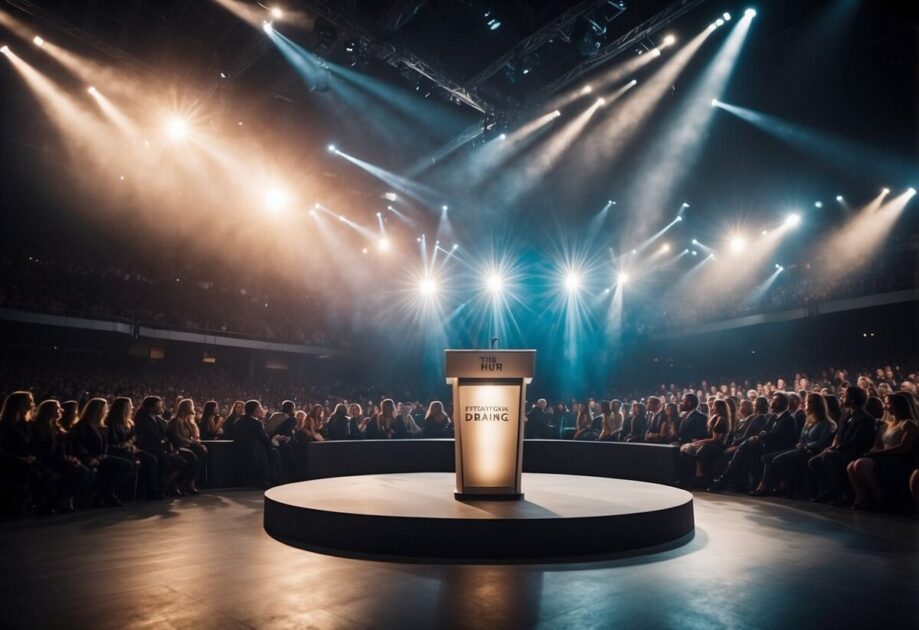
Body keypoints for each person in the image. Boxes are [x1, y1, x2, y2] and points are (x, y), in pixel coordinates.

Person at [753, 393, 836, 497]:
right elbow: (802, 438)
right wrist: (801, 444)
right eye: (806, 402)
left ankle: (773, 487)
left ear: (818, 405)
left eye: (809, 402)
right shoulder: (809, 421)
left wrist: (806, 446)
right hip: (801, 448)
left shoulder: (827, 423)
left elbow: (823, 442)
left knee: (778, 459)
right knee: (767, 457)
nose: (806, 404)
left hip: (813, 451)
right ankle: (779, 487)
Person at [711, 392, 797, 493]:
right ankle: (752, 482)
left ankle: (724, 480)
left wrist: (760, 437)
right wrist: (760, 436)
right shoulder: (773, 417)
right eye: (772, 401)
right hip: (767, 445)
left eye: (775, 401)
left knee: (745, 448)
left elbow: (777, 435)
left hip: (778, 448)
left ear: (785, 404)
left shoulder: (788, 419)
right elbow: (764, 431)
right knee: (747, 450)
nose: (772, 404)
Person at [846, 392, 918, 510]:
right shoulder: (886, 424)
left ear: (898, 405)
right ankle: (861, 497)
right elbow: (877, 444)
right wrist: (874, 452)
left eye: (888, 404)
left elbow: (904, 447)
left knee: (861, 464)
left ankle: (878, 496)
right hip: (883, 456)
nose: (885, 406)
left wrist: (877, 453)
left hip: (898, 459)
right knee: (851, 466)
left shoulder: (908, 424)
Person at [808, 385, 877, 505]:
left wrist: (835, 449)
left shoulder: (866, 419)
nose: (841, 398)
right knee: (814, 462)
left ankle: (844, 493)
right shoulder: (845, 416)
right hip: (840, 450)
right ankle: (830, 490)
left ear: (853, 400)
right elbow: (837, 435)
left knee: (828, 457)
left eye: (844, 396)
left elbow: (856, 441)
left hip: (854, 452)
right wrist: (831, 447)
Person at [1, 392, 59, 514]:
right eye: (30, 401)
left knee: (48, 473)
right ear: (20, 404)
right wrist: (20, 459)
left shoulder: (27, 424)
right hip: (10, 461)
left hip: (27, 460)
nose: (33, 404)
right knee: (37, 474)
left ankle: (34, 503)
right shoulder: (5, 425)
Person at [70, 398, 135, 506]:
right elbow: (78, 445)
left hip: (101, 456)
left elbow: (105, 444)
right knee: (121, 464)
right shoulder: (81, 427)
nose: (107, 411)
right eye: (105, 409)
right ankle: (107, 493)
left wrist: (103, 455)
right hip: (88, 457)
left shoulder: (102, 428)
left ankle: (106, 492)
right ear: (98, 411)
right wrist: (89, 457)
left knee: (126, 465)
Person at [32, 399, 91, 512]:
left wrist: (70, 457)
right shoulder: (40, 429)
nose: (61, 410)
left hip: (59, 459)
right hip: (47, 461)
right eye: (58, 408)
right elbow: (42, 450)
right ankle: (57, 500)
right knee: (76, 472)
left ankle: (65, 498)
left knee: (82, 471)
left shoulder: (58, 428)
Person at [106, 397, 161, 500]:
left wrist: (131, 445)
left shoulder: (129, 423)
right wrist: (127, 445)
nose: (132, 407)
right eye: (130, 406)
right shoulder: (111, 423)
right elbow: (113, 441)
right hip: (117, 451)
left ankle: (150, 490)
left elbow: (135, 437)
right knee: (136, 462)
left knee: (151, 459)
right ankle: (114, 491)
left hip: (129, 449)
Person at [135, 396, 188, 497]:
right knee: (163, 460)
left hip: (163, 450)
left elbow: (168, 436)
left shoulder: (161, 420)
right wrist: (163, 441)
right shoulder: (143, 421)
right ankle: (157, 489)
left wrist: (173, 446)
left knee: (181, 462)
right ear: (150, 408)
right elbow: (145, 440)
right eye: (158, 406)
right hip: (150, 449)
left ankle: (164, 486)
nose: (161, 407)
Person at [233, 400, 282, 487]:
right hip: (255, 453)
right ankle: (274, 479)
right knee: (275, 451)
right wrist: (274, 440)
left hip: (239, 452)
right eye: (260, 407)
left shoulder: (238, 422)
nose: (262, 410)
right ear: (255, 410)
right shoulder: (257, 423)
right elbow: (265, 440)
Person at [686, 399, 732, 487]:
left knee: (701, 451)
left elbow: (715, 439)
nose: (712, 408)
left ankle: (701, 477)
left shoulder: (721, 420)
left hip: (718, 446)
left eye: (714, 406)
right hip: (714, 444)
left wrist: (701, 441)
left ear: (719, 408)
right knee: (692, 448)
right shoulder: (715, 418)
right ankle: (697, 476)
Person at [167, 399, 205, 494]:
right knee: (194, 457)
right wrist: (193, 442)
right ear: (186, 408)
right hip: (178, 447)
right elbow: (178, 438)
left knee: (200, 451)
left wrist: (195, 442)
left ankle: (189, 483)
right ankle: (182, 484)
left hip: (186, 446)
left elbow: (191, 436)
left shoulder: (187, 421)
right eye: (191, 406)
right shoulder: (177, 420)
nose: (193, 408)